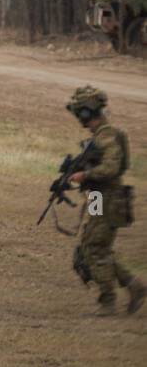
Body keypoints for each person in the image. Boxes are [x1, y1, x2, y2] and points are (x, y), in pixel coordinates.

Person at [65, 86, 144, 316]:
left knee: (94, 248)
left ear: (86, 113)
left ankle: (108, 299)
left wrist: (86, 175)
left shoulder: (107, 135)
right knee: (94, 245)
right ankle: (135, 287)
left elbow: (111, 168)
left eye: (80, 112)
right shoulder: (99, 136)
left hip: (109, 198)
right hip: (99, 197)